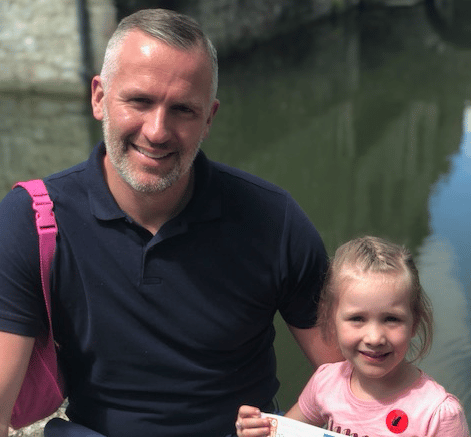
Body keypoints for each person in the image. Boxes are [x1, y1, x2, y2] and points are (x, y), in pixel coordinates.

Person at [0, 8, 342, 437]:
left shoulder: (272, 220)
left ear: (209, 119)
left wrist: (285, 427)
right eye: (139, 101)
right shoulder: (32, 221)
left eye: (182, 109)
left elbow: (350, 381)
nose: (158, 131)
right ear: (99, 98)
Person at [236, 236, 470, 437]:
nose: (375, 338)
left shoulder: (437, 414)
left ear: (414, 323)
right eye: (357, 318)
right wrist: (261, 430)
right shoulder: (326, 383)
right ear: (331, 320)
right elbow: (286, 431)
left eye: (391, 319)